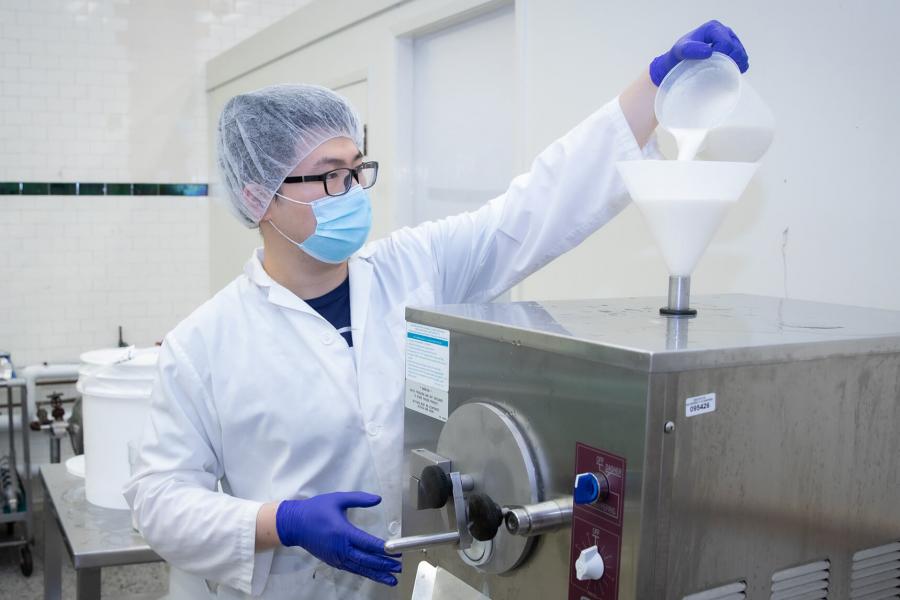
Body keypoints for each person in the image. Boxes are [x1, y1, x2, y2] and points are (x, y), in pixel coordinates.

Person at [124, 20, 748, 600]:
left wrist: (653, 91)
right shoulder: (204, 344)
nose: (353, 192)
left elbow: (533, 208)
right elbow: (158, 500)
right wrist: (279, 522)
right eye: (330, 176)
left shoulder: (413, 268)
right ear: (260, 195)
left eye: (357, 171)